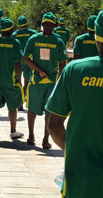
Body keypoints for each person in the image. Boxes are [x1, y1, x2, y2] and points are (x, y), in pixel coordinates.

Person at [46, 4, 103, 198]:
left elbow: (54, 126)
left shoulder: (74, 71)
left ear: (97, 37)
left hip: (80, 181)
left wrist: (75, 152)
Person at [22, 12, 67, 149]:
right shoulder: (34, 39)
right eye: (45, 24)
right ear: (42, 24)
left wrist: (60, 80)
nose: (47, 27)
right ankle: (31, 136)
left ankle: (45, 139)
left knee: (49, 112)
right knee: (32, 110)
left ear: (54, 25)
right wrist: (39, 70)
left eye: (50, 24)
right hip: (36, 81)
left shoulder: (58, 41)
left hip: (52, 82)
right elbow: (25, 57)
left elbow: (62, 62)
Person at [13, 15, 37, 111]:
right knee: (26, 81)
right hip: (28, 60)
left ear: (18, 25)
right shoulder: (33, 33)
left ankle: (18, 101)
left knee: (18, 81)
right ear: (26, 24)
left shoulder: (15, 34)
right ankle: (21, 101)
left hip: (17, 61)